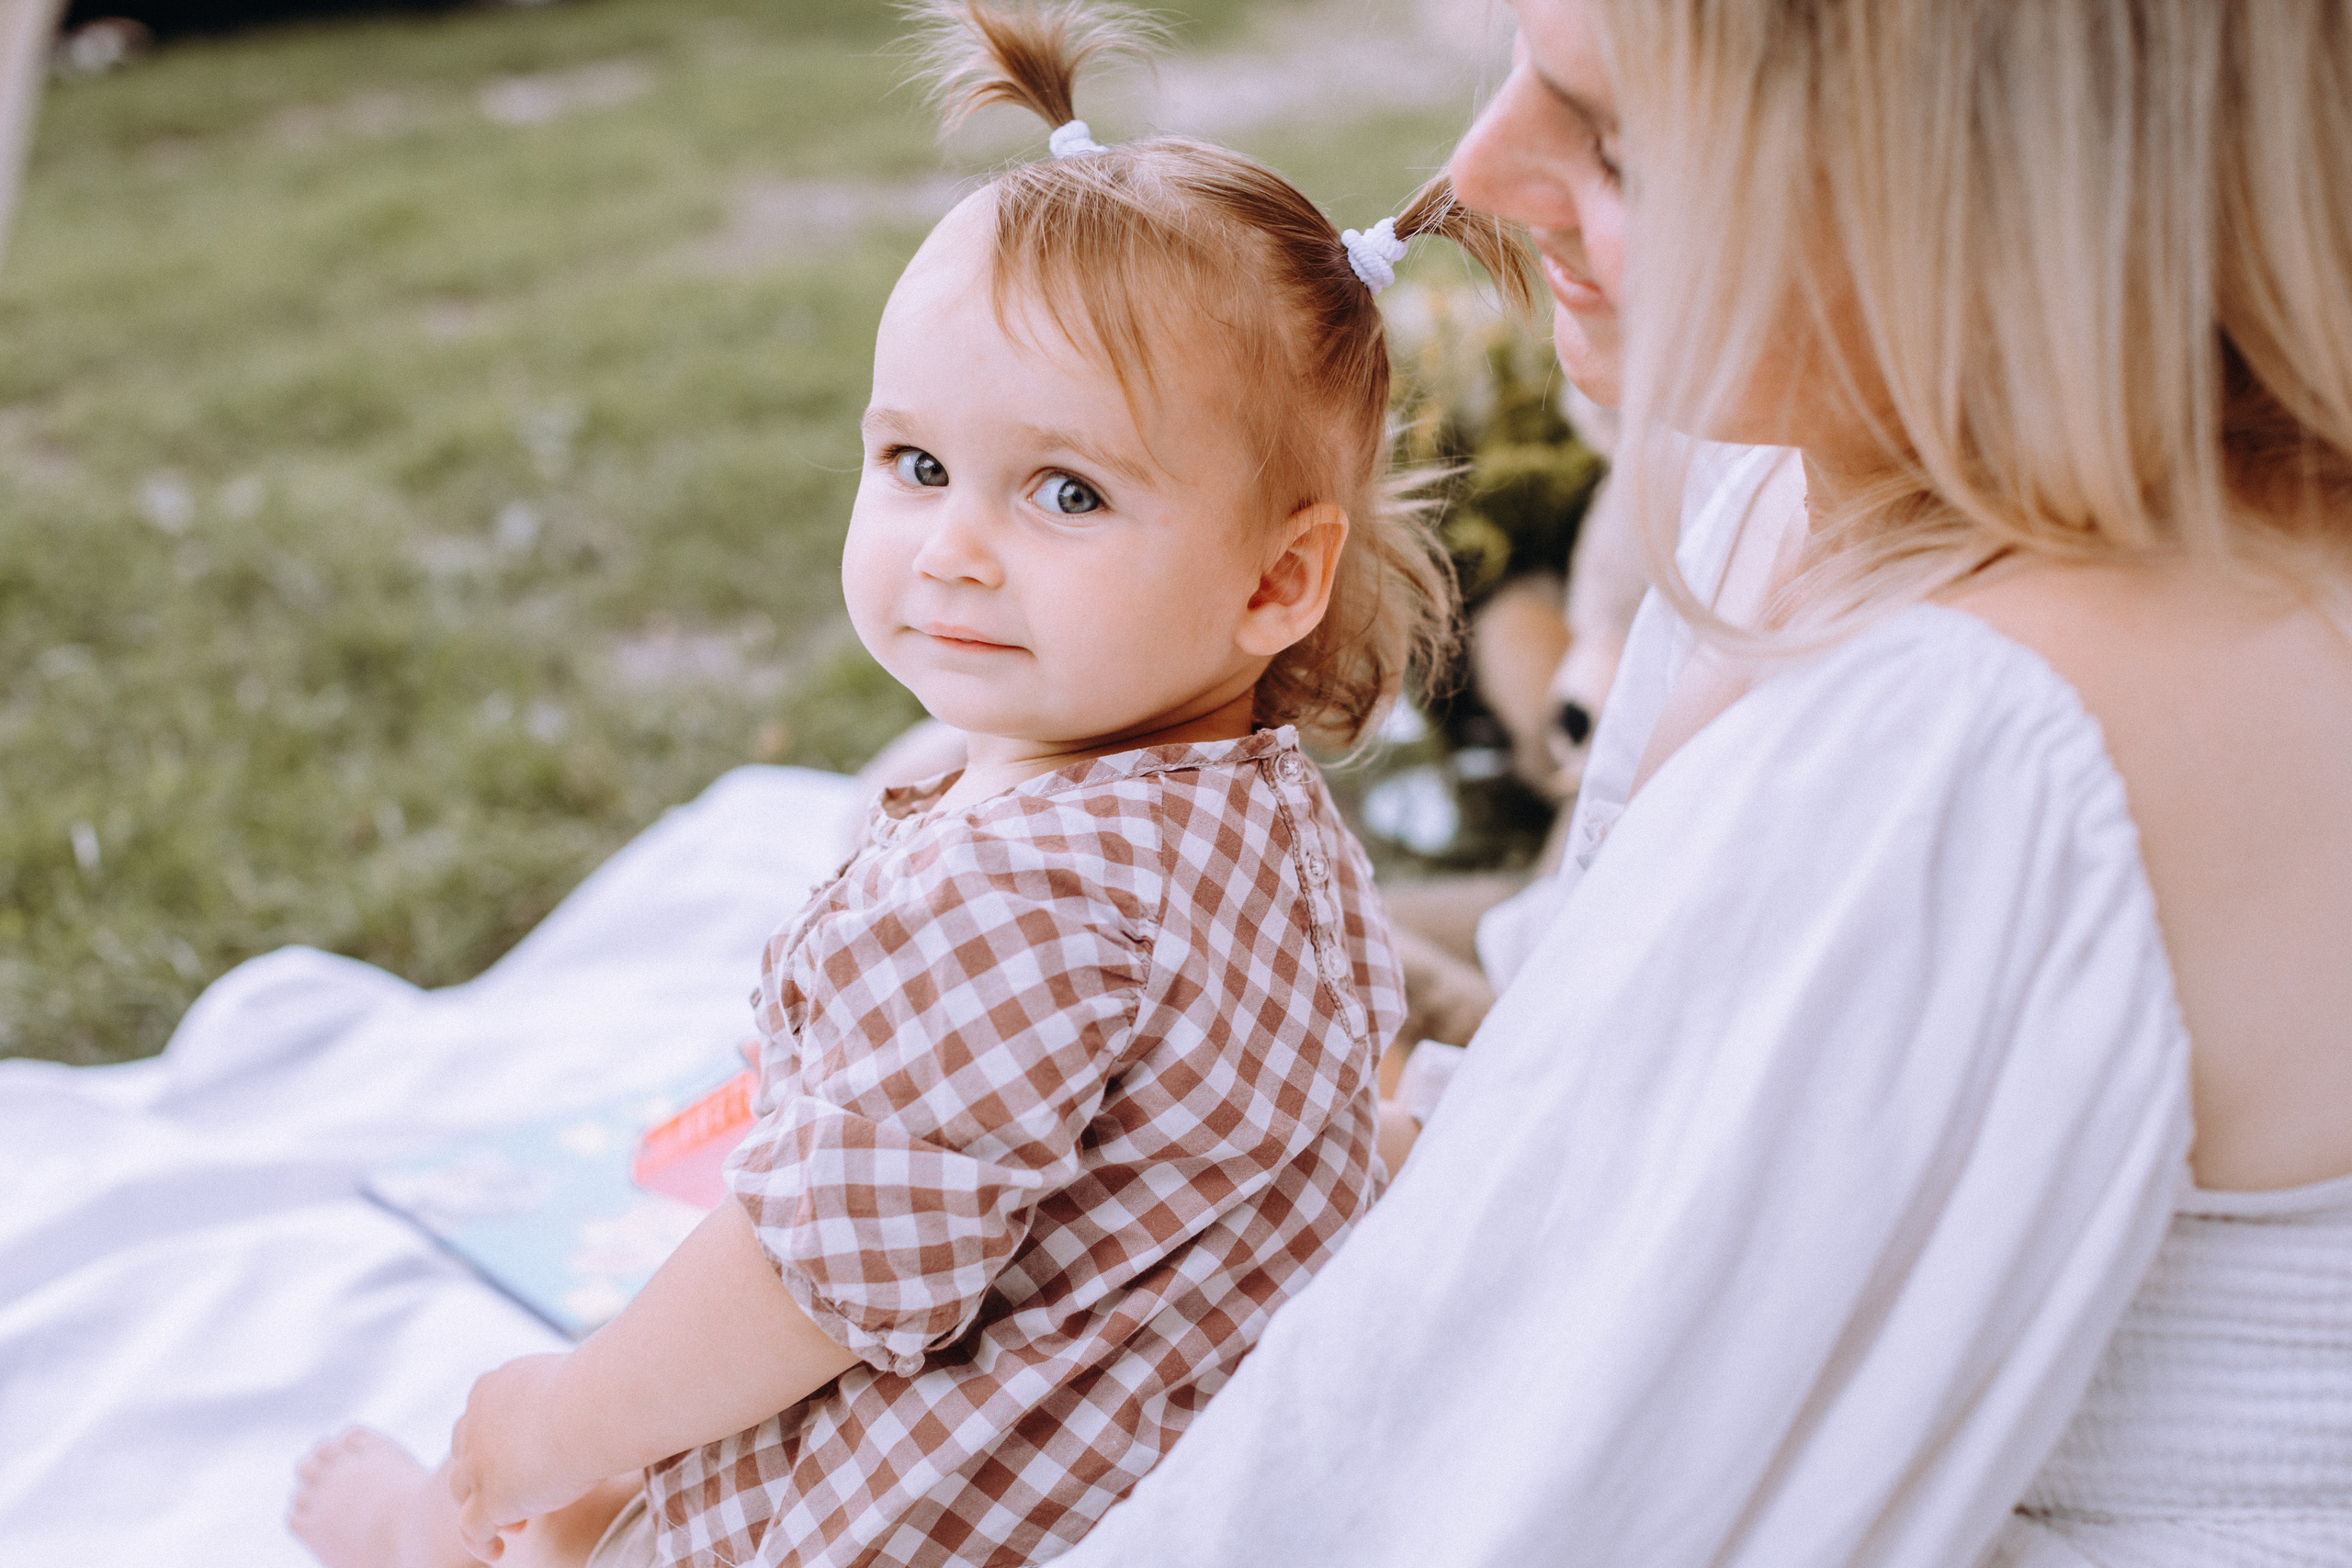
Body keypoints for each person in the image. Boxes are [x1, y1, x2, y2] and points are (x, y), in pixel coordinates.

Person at [1050, 1, 2352, 1565]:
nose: (1482, 169)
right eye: (1521, 66)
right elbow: (1571, 1089)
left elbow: (1466, 1469)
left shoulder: (1977, 731)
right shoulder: (1801, 490)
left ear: (2006, 195)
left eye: (1623, 145)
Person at [285, 3, 1537, 1564]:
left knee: (655, 1418)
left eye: (1065, 491)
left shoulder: (1019, 900)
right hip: (1162, 1426)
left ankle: (465, 1530)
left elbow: (811, 1283)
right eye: (915, 464)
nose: (952, 542)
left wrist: (564, 1413)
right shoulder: (1265, 814)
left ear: (1278, 582)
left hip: (944, 1498)